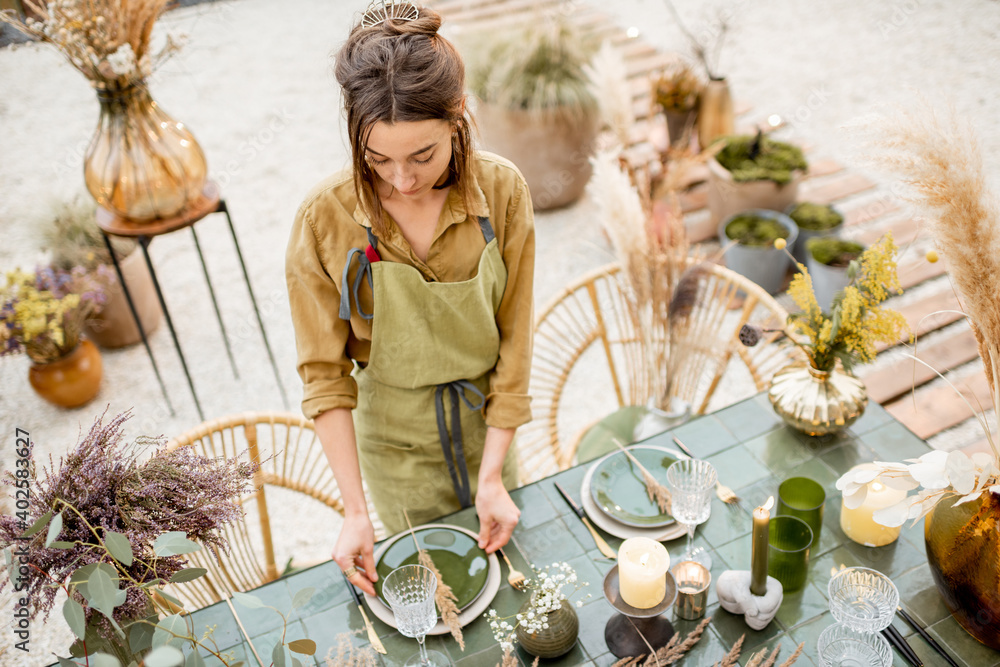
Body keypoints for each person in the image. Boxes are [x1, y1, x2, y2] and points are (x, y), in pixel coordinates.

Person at [285, 1, 535, 596]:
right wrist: (353, 511)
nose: (402, 180)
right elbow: (324, 376)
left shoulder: (501, 192)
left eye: (423, 155)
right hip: (393, 442)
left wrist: (494, 474)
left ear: (458, 119)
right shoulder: (324, 220)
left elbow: (516, 339)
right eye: (379, 160)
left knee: (513, 585)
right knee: (432, 598)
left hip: (487, 427)